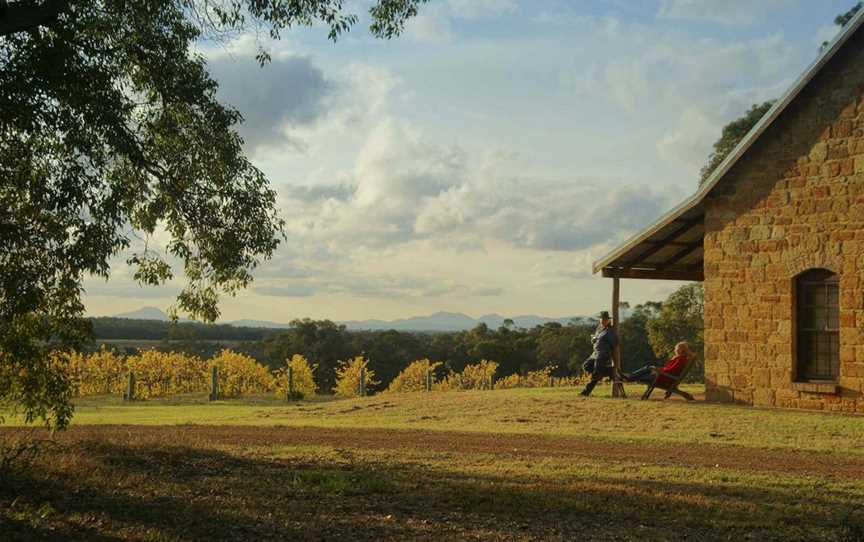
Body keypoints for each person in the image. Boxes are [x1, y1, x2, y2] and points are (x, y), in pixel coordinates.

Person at [579, 310, 618, 397]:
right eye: (602, 319)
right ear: (600, 320)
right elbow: (595, 340)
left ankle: (585, 392)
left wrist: (606, 347)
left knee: (596, 374)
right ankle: (610, 372)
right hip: (595, 354)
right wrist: (593, 339)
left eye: (605, 319)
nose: (603, 321)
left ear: (608, 320)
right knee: (586, 366)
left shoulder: (610, 331)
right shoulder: (599, 329)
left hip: (602, 354)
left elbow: (614, 343)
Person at [622, 341, 692, 386]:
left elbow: (671, 370)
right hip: (664, 377)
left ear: (681, 350)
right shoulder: (680, 358)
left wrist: (658, 371)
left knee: (646, 370)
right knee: (647, 369)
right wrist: (657, 369)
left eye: (676, 348)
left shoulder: (680, 359)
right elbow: (669, 369)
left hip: (663, 379)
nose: (675, 350)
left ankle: (629, 377)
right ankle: (629, 377)